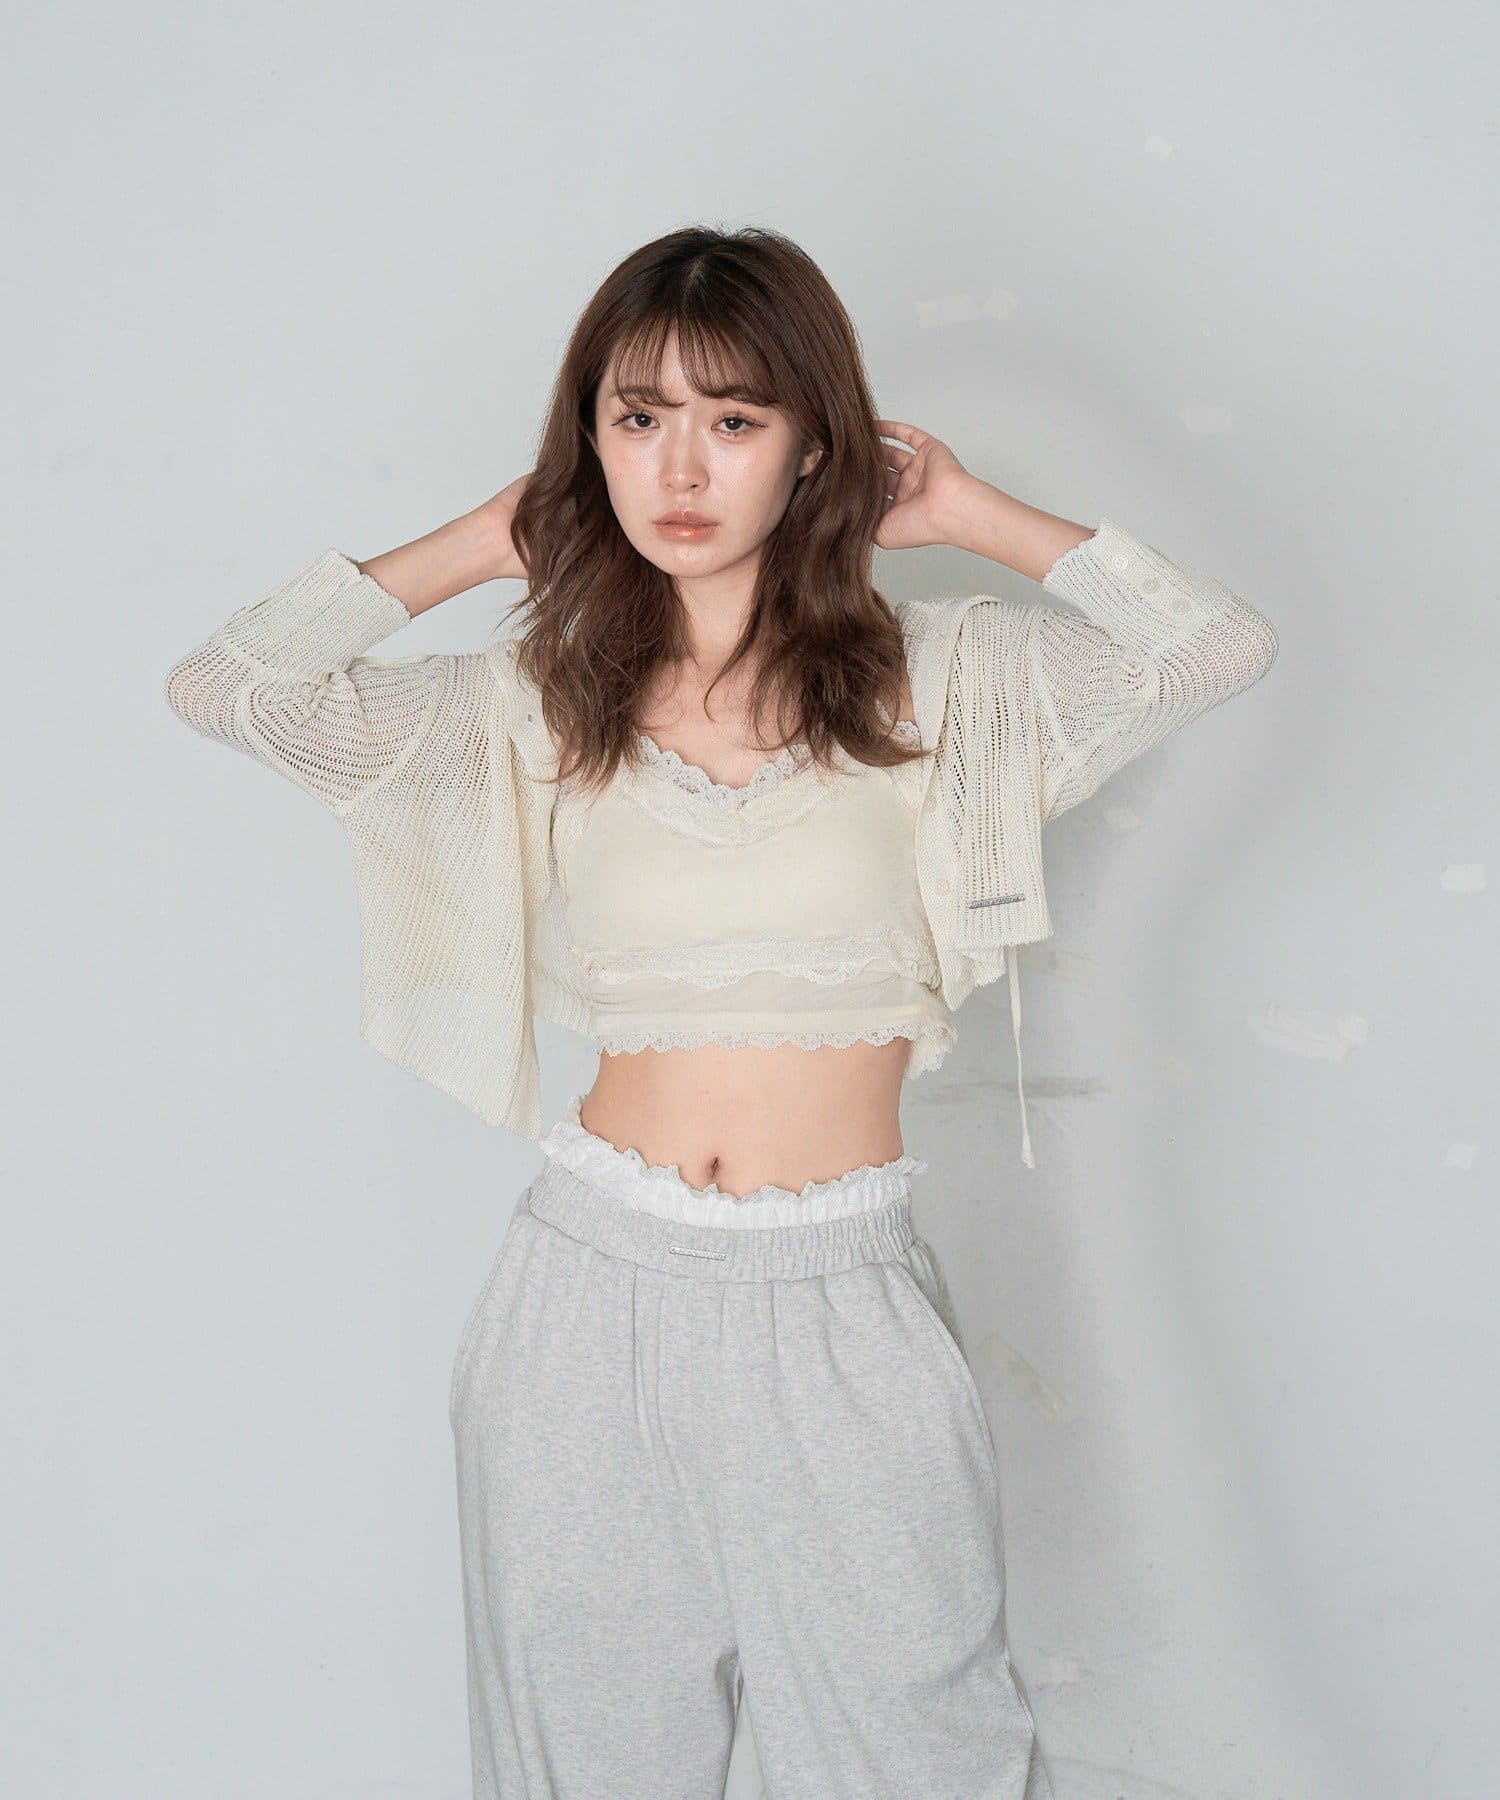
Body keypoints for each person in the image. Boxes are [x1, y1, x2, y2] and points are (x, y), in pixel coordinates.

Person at [164, 225, 1277, 1798]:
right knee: (581, 1765)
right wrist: (478, 544)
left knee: (921, 1754)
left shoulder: (949, 685)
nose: (680, 467)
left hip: (842, 1303)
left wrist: (963, 511)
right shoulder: (534, 705)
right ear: (590, 441)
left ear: (816, 447)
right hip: (585, 1303)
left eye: (736, 419)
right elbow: (230, 691)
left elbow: (1215, 647)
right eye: (638, 418)